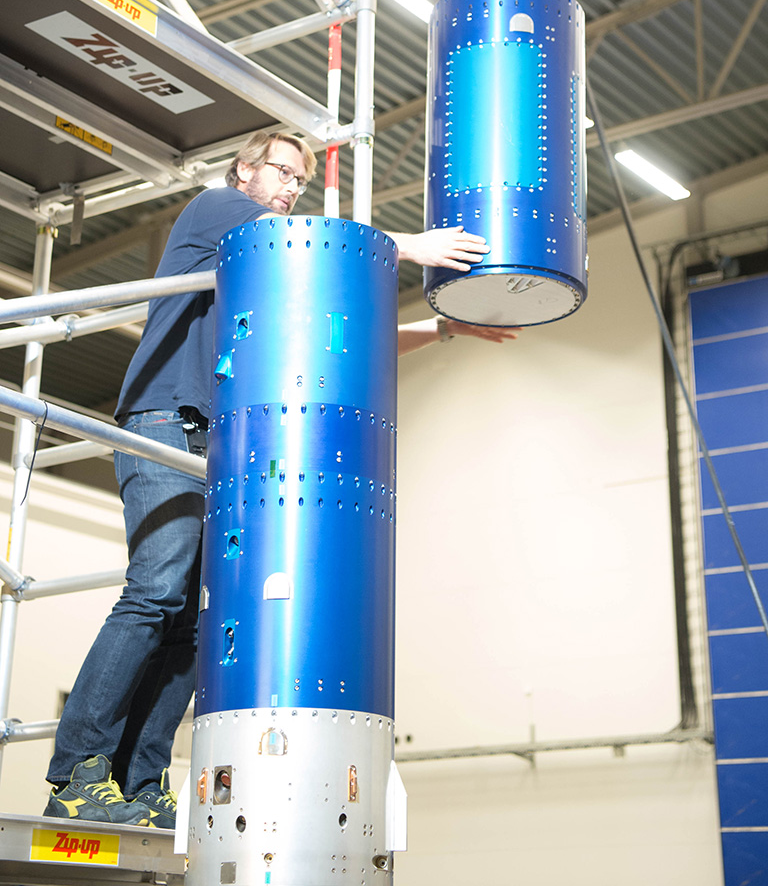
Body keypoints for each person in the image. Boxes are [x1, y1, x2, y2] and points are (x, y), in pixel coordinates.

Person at [44, 130, 518, 827]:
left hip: (219, 441)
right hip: (165, 421)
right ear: (245, 170)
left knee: (191, 627)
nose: (292, 184)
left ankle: (141, 783)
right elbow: (307, 238)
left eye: (300, 177)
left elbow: (347, 323)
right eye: (282, 171)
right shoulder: (219, 210)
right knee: (155, 590)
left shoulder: (265, 265)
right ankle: (77, 769)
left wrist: (442, 329)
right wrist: (408, 247)